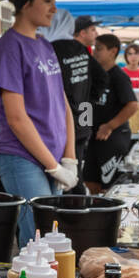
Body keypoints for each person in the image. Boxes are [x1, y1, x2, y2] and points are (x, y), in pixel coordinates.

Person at [0, 0, 77, 245]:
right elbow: (16, 117)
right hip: (21, 156)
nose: (54, 9)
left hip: (51, 156)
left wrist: (69, 158)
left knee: (52, 236)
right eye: (47, 1)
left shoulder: (45, 45)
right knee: (39, 239)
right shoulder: (9, 47)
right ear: (26, 3)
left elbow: (63, 104)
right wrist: (54, 167)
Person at [47, 10, 103, 179]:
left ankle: (76, 194)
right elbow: (102, 78)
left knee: (66, 172)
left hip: (64, 120)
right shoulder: (80, 48)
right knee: (77, 165)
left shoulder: (51, 49)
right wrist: (88, 100)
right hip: (85, 114)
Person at [84, 34, 139, 192]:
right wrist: (83, 127)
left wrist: (109, 126)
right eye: (94, 48)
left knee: (109, 187)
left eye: (99, 49)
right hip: (92, 137)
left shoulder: (119, 77)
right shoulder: (92, 75)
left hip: (113, 137)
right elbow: (85, 103)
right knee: (90, 182)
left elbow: (133, 105)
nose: (95, 52)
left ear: (113, 51)